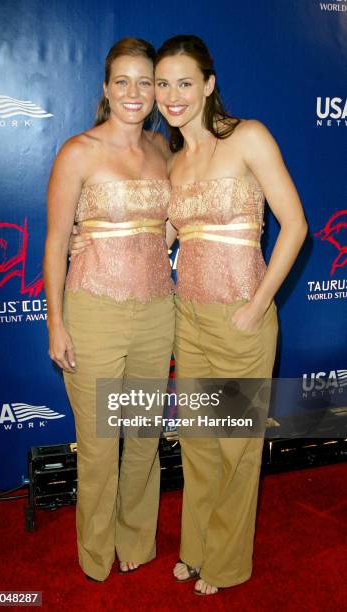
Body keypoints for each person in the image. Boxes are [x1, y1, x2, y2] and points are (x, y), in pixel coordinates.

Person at [153, 35, 308, 596]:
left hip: (241, 317)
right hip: (187, 319)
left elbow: (295, 226)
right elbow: (166, 236)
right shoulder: (172, 160)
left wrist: (258, 304)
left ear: (209, 85)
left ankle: (225, 563)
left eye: (185, 83)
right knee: (196, 442)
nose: (172, 96)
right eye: (163, 84)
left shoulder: (248, 137)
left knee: (236, 448)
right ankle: (195, 548)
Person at [43, 37, 175, 583]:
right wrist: (56, 321)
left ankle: (135, 540)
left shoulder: (164, 150)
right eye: (123, 81)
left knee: (143, 437)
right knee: (99, 447)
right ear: (105, 88)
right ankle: (95, 552)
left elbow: (173, 221)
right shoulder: (78, 151)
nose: (134, 92)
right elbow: (54, 242)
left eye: (146, 82)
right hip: (93, 312)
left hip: (155, 313)